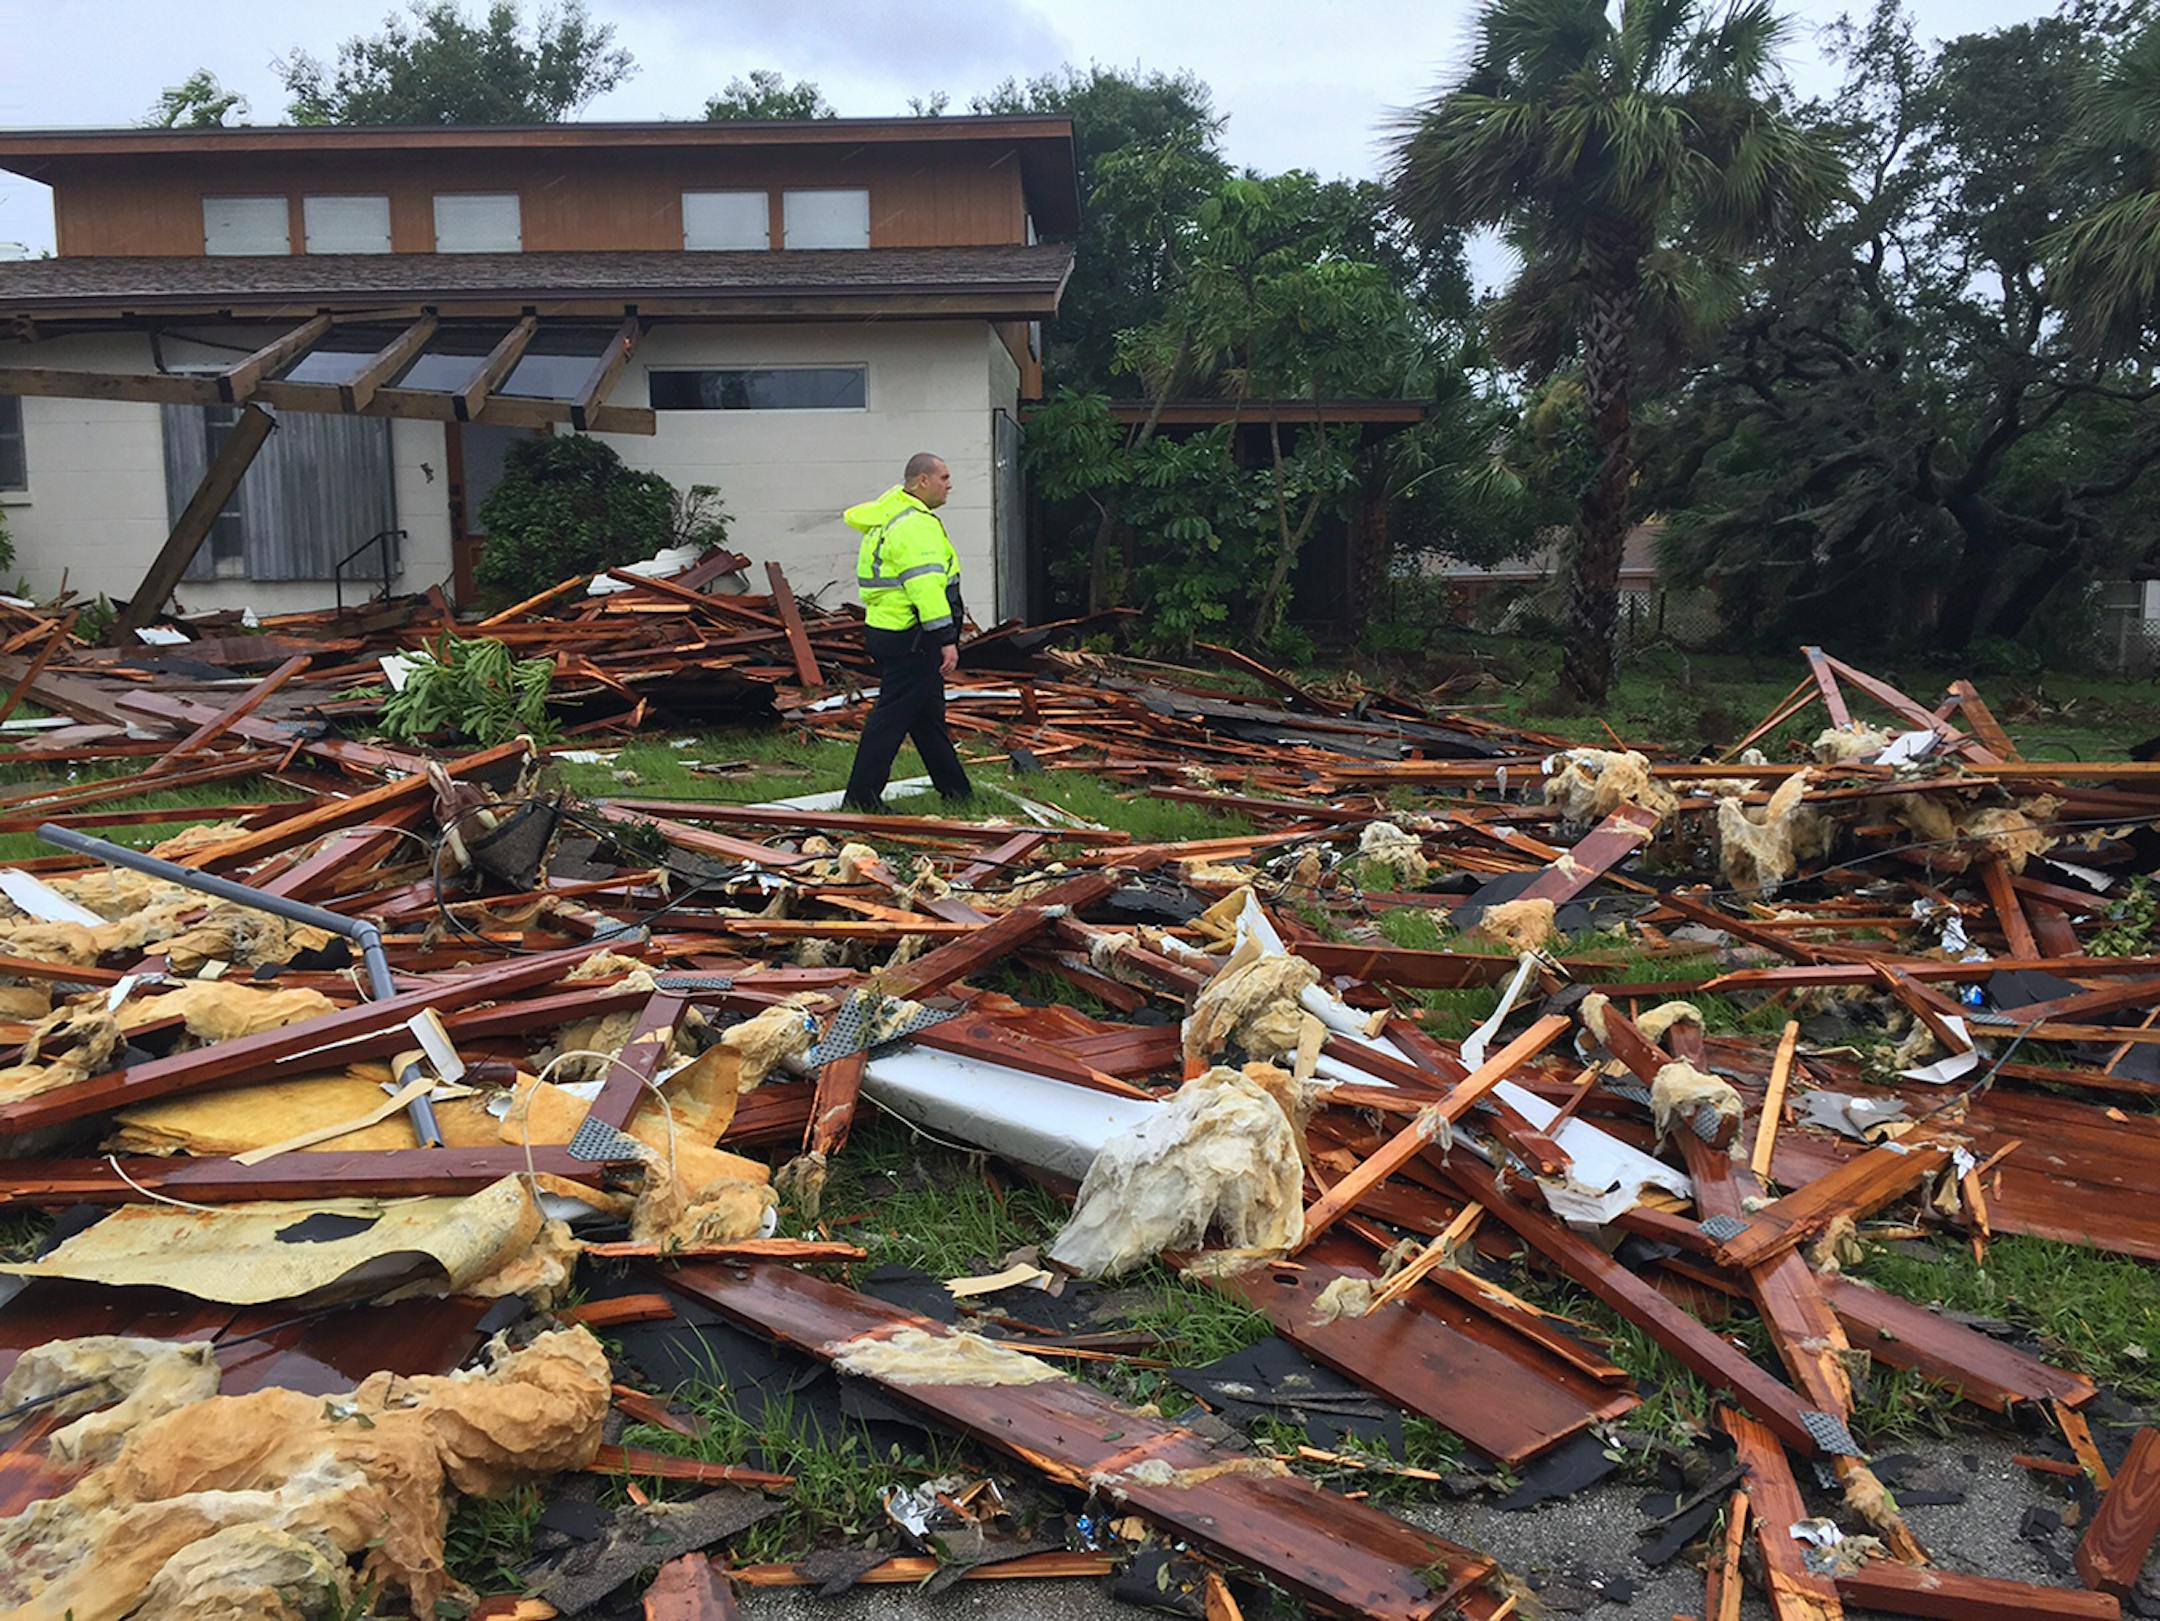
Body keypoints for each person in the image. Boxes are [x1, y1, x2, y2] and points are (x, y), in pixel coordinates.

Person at [841, 452, 972, 812]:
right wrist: (946, 639)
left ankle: (957, 792)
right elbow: (925, 588)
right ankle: (862, 797)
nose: (950, 485)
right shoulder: (915, 525)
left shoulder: (890, 515)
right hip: (913, 637)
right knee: (891, 717)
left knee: (927, 719)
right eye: (944, 478)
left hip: (892, 630)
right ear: (921, 482)